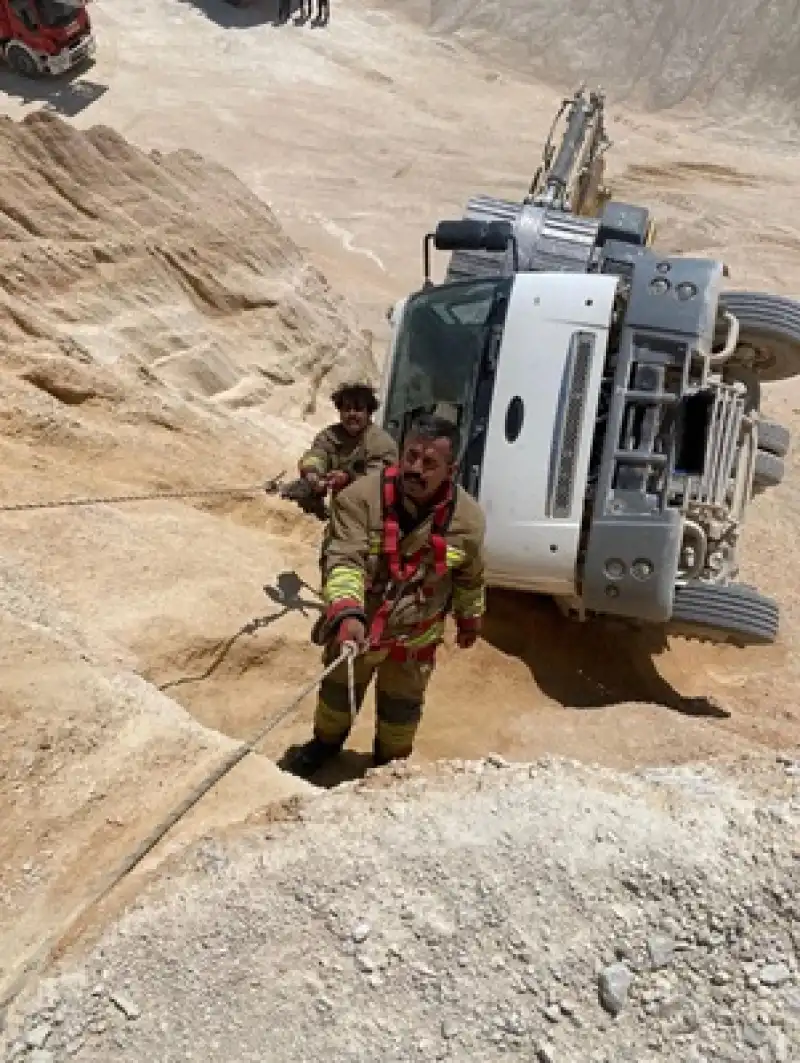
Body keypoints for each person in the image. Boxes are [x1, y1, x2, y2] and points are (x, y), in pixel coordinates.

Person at [285, 414, 486, 779]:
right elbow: (344, 559)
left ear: (451, 470)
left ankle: (388, 769)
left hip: (414, 642)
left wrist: (470, 617)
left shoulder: (468, 521)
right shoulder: (358, 500)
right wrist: (346, 612)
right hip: (358, 631)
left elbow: (471, 575)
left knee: (401, 715)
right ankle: (324, 748)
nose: (415, 469)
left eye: (429, 463)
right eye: (410, 456)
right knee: (335, 700)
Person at [297, 381, 398, 501]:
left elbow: (378, 479)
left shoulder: (381, 443)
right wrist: (312, 472)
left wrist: (348, 478)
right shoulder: (330, 435)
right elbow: (318, 454)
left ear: (369, 413)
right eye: (347, 409)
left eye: (358, 409)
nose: (352, 414)